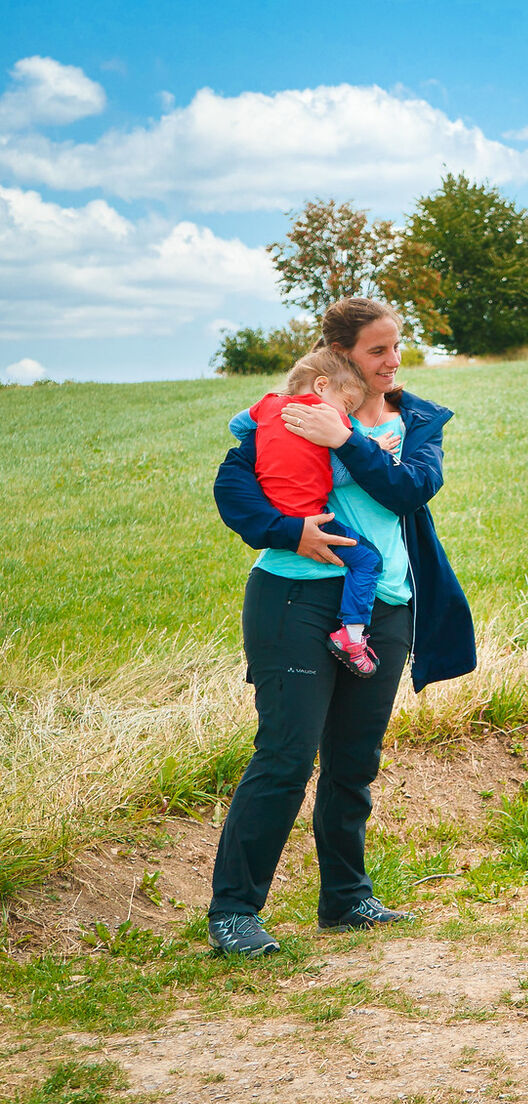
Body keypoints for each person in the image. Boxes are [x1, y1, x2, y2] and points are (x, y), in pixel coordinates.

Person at [209, 298, 476, 957]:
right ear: (340, 354)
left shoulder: (417, 422)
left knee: (353, 760)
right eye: (377, 350)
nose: (393, 361)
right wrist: (289, 531)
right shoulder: (297, 408)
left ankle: (346, 898)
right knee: (287, 754)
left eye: (397, 346)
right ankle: (234, 912)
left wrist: (346, 440)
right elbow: (232, 487)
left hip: (385, 606)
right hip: (294, 600)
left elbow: (409, 491)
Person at [237, 348, 387, 677]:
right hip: (311, 517)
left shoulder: (268, 405)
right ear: (321, 385)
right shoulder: (333, 422)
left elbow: (237, 426)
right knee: (368, 560)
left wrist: (270, 441)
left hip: (274, 513)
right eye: (347, 404)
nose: (347, 413)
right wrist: (373, 450)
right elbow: (341, 476)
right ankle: (351, 636)